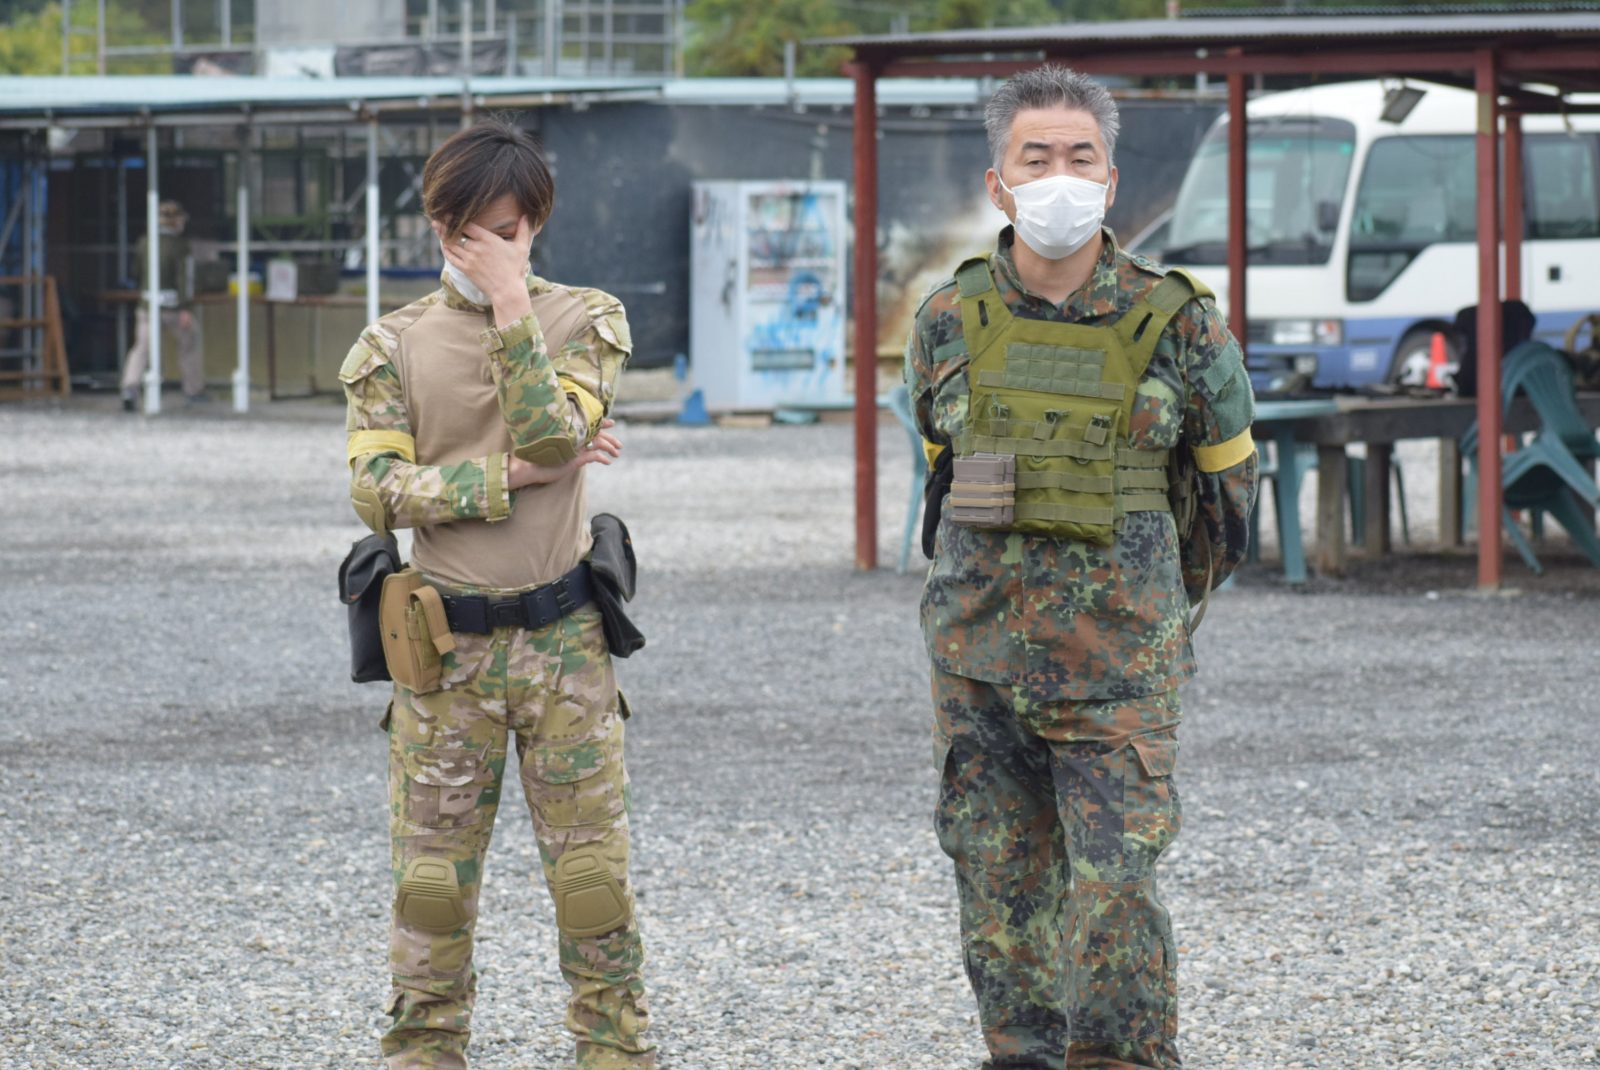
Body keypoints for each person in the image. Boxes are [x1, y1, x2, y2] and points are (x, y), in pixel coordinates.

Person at [904, 65, 1258, 1070]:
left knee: (1115, 890)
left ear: (1110, 180)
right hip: (978, 668)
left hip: (1119, 672)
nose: (1059, 176)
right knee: (996, 883)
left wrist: (1148, 611)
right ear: (997, 183)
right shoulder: (944, 320)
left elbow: (1229, 507)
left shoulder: (1182, 322)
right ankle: (1019, 1052)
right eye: (1036, 158)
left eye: (1079, 157)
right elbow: (943, 480)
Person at [341, 117, 655, 1070]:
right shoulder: (392, 344)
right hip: (445, 654)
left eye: (508, 232)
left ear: (537, 225)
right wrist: (506, 478)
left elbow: (557, 435)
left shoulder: (588, 319)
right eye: (466, 231)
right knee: (431, 891)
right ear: (437, 226)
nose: (485, 251)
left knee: (593, 886)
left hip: (566, 645)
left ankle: (614, 1055)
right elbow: (376, 493)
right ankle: (423, 1054)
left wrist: (515, 304)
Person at [120, 199, 205, 410]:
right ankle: (193, 390)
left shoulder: (144, 242)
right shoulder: (180, 246)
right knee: (190, 342)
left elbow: (136, 271)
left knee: (141, 348)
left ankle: (130, 386)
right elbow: (185, 279)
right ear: (176, 221)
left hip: (147, 304)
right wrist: (186, 307)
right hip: (173, 307)